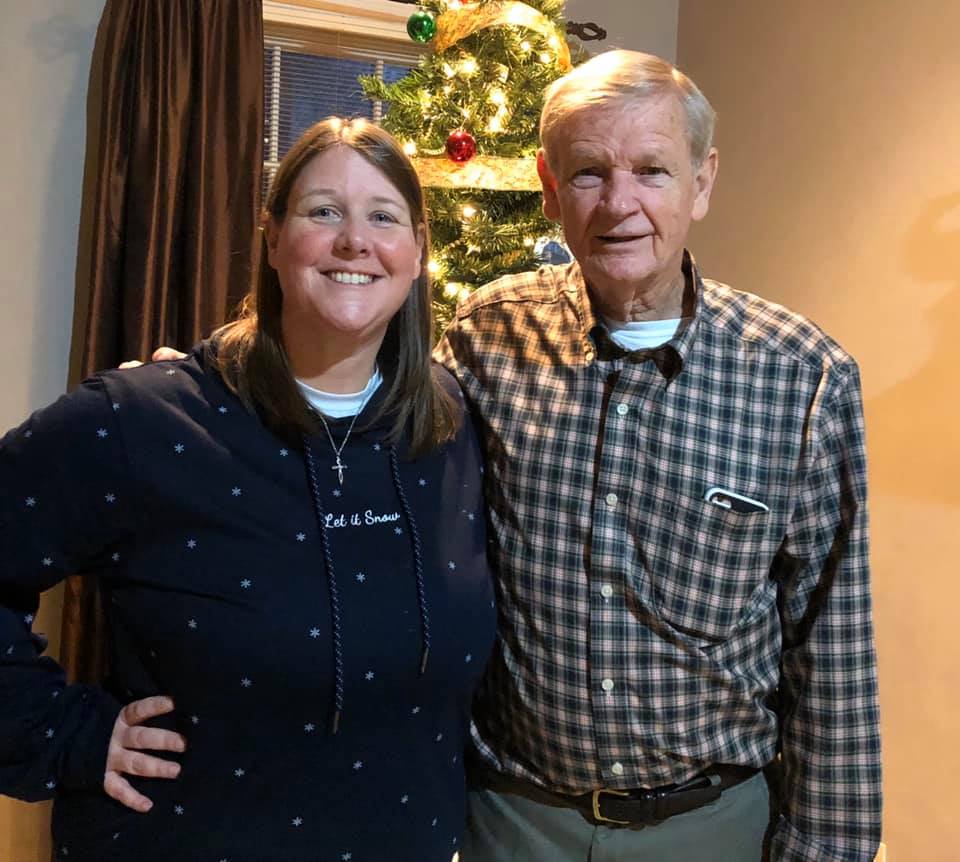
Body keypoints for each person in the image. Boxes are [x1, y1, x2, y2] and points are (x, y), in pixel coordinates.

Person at [0, 117, 495, 861]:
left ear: (418, 252)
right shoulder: (144, 420)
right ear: (270, 238)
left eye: (383, 216)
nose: (355, 241)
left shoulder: (448, 427)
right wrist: (63, 733)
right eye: (322, 210)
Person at [433, 50, 882, 861]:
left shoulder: (803, 377)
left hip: (712, 827)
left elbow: (834, 650)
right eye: (589, 173)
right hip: (510, 821)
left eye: (652, 170)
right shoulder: (482, 339)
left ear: (702, 182)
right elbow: (365, 475)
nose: (620, 204)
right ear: (547, 186)